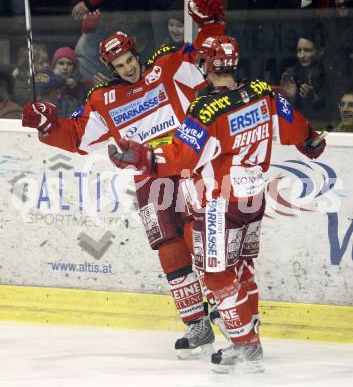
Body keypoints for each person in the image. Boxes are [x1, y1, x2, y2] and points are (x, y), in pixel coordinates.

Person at [106, 34, 326, 373]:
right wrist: (310, 141)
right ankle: (250, 333)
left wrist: (141, 157)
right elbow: (299, 131)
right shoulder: (264, 92)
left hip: (218, 204)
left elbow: (180, 159)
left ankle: (245, 346)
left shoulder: (205, 108)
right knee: (243, 267)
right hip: (253, 198)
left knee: (215, 274)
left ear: (207, 65)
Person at [22, 0, 228, 359]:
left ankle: (227, 312)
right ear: (109, 65)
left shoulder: (166, 66)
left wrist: (211, 22)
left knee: (201, 239)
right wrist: (47, 123)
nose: (129, 68)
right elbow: (75, 136)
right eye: (120, 64)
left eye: (130, 60)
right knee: (169, 248)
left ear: (137, 53)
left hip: (186, 166)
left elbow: (207, 56)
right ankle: (197, 323)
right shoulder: (103, 99)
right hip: (149, 180)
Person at [280, 31, 329, 124]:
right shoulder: (291, 75)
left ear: (321, 51)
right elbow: (283, 115)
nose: (301, 55)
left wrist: (314, 99)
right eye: (299, 51)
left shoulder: (329, 75)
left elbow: (333, 110)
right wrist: (289, 99)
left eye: (307, 50)